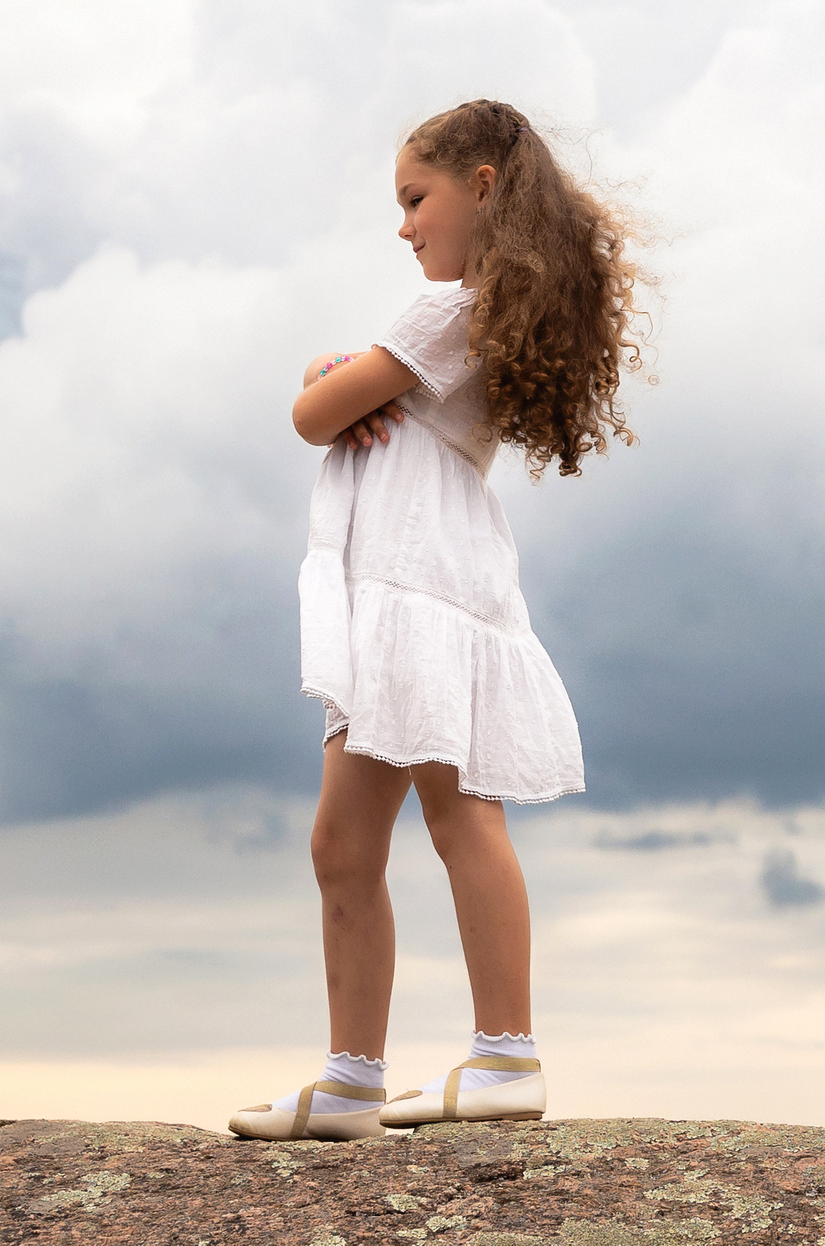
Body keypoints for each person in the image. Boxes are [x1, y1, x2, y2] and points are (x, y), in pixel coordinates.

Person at [230, 99, 647, 1142]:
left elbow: (312, 416)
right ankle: (350, 1078)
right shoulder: (470, 320)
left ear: (484, 187)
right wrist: (340, 378)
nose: (404, 225)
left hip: (416, 586)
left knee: (459, 811)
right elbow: (345, 401)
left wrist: (327, 376)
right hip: (400, 589)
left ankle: (506, 1055)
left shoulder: (449, 313)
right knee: (342, 840)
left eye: (417, 198)